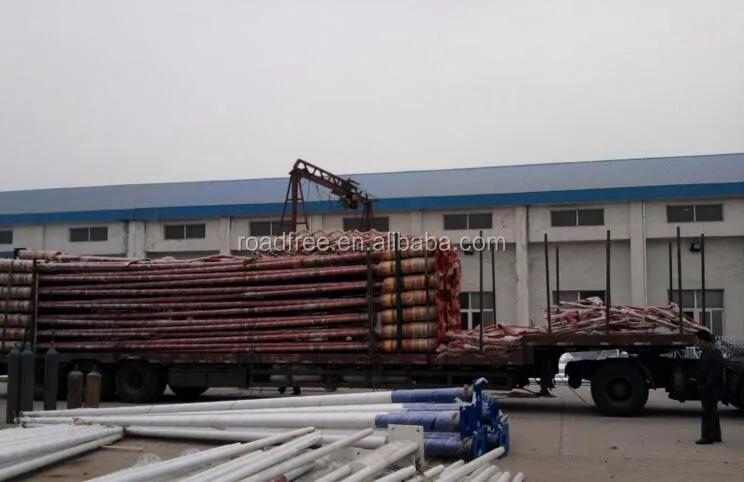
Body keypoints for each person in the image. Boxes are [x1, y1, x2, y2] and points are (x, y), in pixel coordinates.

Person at [694, 329, 725, 444]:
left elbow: (715, 372)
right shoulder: (706, 352)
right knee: (712, 411)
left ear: (703, 340)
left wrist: (707, 386)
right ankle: (716, 435)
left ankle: (707, 437)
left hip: (711, 387)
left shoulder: (715, 352)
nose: (696, 342)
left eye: (697, 340)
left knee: (708, 411)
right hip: (707, 386)